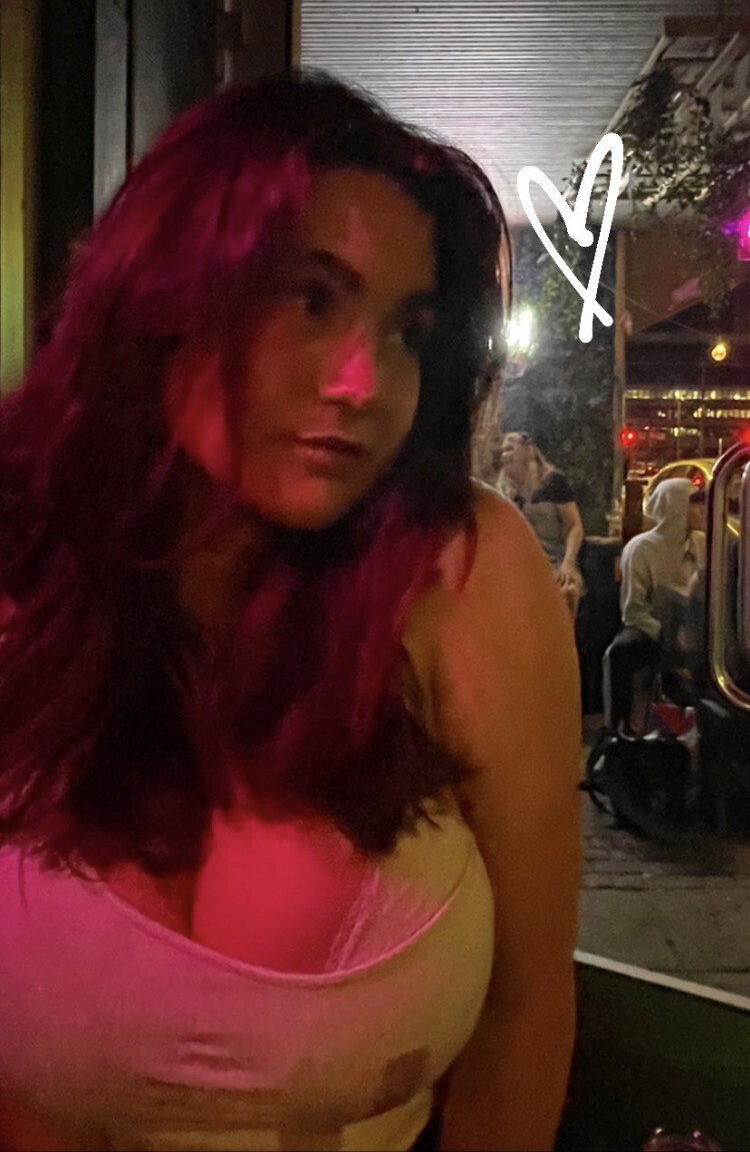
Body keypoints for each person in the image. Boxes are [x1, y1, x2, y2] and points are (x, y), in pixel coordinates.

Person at [0, 73, 580, 1152]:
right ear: (167, 292)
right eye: (310, 298)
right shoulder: (26, 568)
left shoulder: (461, 578)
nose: (364, 382)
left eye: (408, 332)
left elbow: (526, 1012)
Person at [603, 478, 706, 735]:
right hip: (654, 628)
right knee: (620, 652)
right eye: (694, 504)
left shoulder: (702, 542)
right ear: (675, 507)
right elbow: (634, 611)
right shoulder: (641, 549)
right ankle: (620, 728)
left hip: (696, 626)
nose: (702, 510)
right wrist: (667, 635)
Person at [497, 431, 585, 619]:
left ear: (528, 450)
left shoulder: (553, 482)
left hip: (555, 559)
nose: (504, 455)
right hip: (521, 563)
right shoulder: (503, 491)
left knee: (567, 591)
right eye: (502, 451)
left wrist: (568, 563)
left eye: (510, 449)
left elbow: (574, 526)